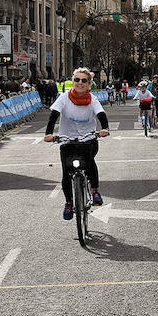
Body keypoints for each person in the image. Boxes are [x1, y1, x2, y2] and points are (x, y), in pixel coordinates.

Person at [43, 67, 110, 221]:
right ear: (73, 81)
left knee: (89, 161)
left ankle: (95, 191)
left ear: (89, 84)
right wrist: (48, 134)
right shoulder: (64, 98)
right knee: (66, 171)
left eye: (84, 80)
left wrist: (105, 128)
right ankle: (68, 203)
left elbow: (100, 114)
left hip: (88, 139)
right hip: (67, 140)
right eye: (77, 80)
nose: (80, 83)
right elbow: (54, 115)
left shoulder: (92, 99)